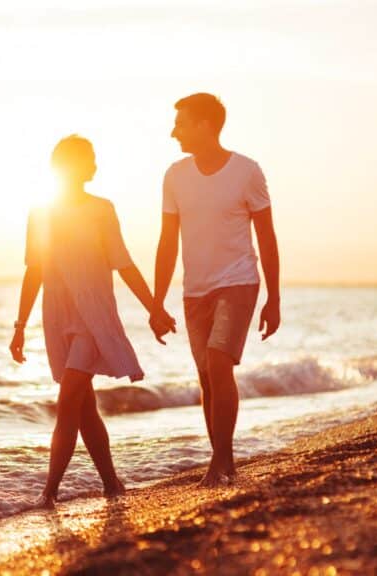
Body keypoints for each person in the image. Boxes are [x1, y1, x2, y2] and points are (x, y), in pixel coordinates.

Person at [9, 135, 176, 508]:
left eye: (94, 160)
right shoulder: (41, 213)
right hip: (57, 315)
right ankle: (111, 483)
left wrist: (154, 308)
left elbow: (123, 263)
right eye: (88, 160)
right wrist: (20, 326)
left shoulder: (101, 209)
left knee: (68, 399)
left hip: (93, 315)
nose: (94, 166)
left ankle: (49, 492)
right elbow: (34, 270)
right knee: (84, 407)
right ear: (66, 167)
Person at [153, 93, 281, 487]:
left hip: (238, 281)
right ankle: (225, 460)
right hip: (195, 289)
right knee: (207, 375)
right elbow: (167, 242)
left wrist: (274, 298)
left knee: (218, 361)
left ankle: (217, 463)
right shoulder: (175, 176)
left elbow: (266, 237)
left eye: (180, 123)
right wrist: (156, 302)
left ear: (205, 125)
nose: (173, 132)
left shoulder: (247, 172)